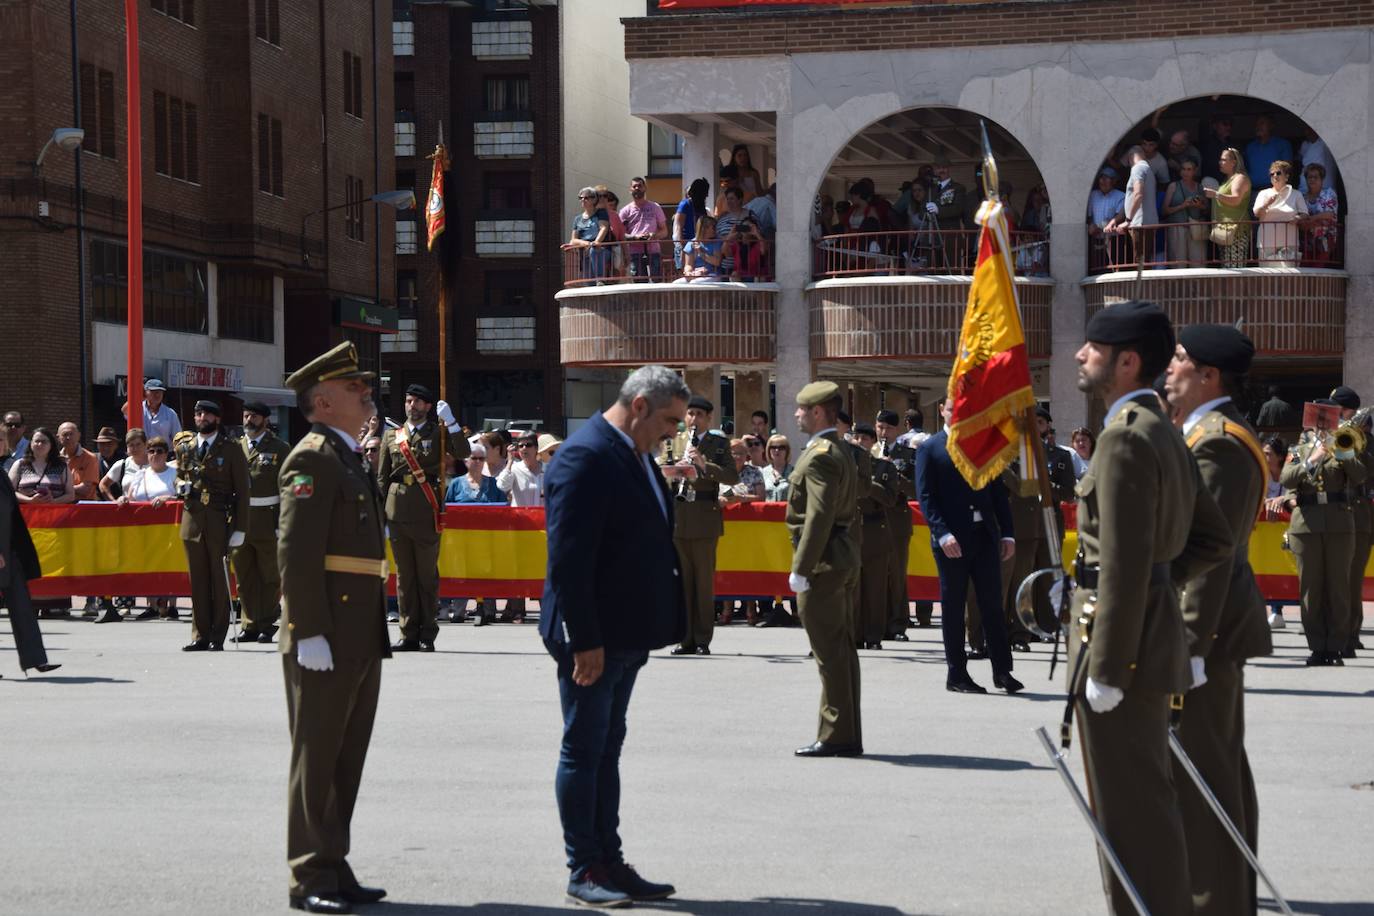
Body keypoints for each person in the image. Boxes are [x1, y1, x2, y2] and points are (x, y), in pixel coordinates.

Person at [1069, 300, 1233, 916]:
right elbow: (1210, 540)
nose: (1082, 355)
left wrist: (1107, 666)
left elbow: (1126, 562)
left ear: (1126, 361)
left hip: (1121, 651)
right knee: (1144, 800)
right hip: (1143, 634)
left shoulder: (1125, 436)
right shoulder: (1161, 427)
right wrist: (1162, 587)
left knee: (1129, 813)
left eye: (1092, 347)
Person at [539, 365, 686, 908]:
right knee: (584, 749)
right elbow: (569, 561)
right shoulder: (586, 455)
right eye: (669, 419)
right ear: (641, 405)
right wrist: (584, 639)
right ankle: (584, 867)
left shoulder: (635, 454)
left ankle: (609, 859)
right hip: (593, 636)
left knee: (607, 749)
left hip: (624, 632)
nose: (674, 431)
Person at [276, 341, 391, 915]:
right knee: (316, 755)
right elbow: (296, 552)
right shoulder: (313, 457)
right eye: (354, 388)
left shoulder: (349, 455)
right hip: (327, 630)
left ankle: (333, 861)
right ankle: (308, 874)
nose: (365, 393)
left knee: (346, 755)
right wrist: (307, 629)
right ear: (322, 401)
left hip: (358, 627)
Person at [1164, 323, 1274, 915]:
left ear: (1209, 375)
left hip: (1206, 632)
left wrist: (1189, 645)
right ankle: (1226, 892)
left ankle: (1215, 900)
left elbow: (1211, 551)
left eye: (1180, 359)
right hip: (1207, 630)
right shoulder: (1204, 433)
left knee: (1203, 770)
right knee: (1218, 762)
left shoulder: (1218, 442)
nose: (1170, 366)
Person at [916, 399, 1022, 694]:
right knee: (953, 607)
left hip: (984, 535)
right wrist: (941, 533)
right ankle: (957, 674)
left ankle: (1003, 671)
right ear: (941, 411)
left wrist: (1008, 533)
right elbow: (926, 497)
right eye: (951, 408)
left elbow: (998, 492)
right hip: (952, 539)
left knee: (992, 605)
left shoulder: (983, 445)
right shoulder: (931, 448)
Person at [788, 381, 863, 757]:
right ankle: (845, 732)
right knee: (842, 651)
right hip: (841, 555)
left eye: (802, 409)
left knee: (830, 654)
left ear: (818, 412)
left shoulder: (819, 454)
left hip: (824, 562)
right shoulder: (840, 449)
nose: (797, 414)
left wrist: (801, 567)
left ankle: (836, 735)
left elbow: (818, 516)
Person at [378, 384, 465, 653]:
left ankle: (427, 633)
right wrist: (381, 516)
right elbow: (382, 477)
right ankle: (408, 633)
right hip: (397, 510)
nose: (411, 406)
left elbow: (462, 452)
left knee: (426, 576)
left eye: (417, 402)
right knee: (404, 577)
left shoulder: (437, 433)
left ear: (428, 406)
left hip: (426, 509)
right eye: (408, 400)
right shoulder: (393, 436)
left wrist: (450, 422)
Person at [1281, 395, 1362, 656]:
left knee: (1339, 587)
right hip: (1306, 525)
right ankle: (1317, 647)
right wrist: (1313, 459)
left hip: (1340, 523)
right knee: (1311, 588)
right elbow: (1287, 478)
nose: (1324, 424)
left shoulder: (1343, 445)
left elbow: (1360, 475)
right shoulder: (1297, 450)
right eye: (1320, 418)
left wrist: (1341, 449)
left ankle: (1337, 647)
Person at [171, 400, 251, 652]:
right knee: (198, 581)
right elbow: (180, 477)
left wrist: (240, 528)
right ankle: (199, 635)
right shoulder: (186, 447)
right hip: (192, 519)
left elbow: (243, 491)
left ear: (216, 419)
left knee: (219, 580)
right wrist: (179, 487)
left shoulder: (231, 449)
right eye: (197, 413)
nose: (201, 417)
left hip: (219, 519)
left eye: (206, 413)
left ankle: (217, 635)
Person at [665, 395, 737, 656]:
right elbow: (662, 472)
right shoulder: (674, 441)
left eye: (699, 414)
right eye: (690, 413)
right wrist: (672, 470)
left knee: (703, 583)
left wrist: (705, 465)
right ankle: (684, 639)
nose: (693, 419)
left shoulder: (718, 443)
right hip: (679, 518)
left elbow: (732, 475)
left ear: (708, 418)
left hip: (705, 518)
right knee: (682, 583)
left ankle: (703, 639)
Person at [232, 401, 292, 644]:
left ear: (265, 420)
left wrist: (283, 521)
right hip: (242, 521)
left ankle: (267, 623)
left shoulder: (280, 448)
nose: (249, 421)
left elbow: (288, 486)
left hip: (268, 518)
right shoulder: (235, 447)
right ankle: (249, 624)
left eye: (254, 417)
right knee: (244, 577)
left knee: (269, 576)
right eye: (246, 416)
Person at [1, 468, 61, 677]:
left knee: (22, 605)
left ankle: (36, 659)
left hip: (11, 549)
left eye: (0, 439)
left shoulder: (2, 473)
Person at [1330, 385, 1372, 659]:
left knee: (1351, 578)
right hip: (1328, 513)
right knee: (1333, 579)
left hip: (1356, 511)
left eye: (1337, 409)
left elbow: (1365, 474)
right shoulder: (1318, 436)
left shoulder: (1366, 439)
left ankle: (1349, 634)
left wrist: (1353, 439)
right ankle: (1332, 632)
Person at [853, 422, 896, 650]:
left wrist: (869, 483)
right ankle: (856, 634)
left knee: (876, 588)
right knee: (854, 588)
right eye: (857, 437)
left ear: (872, 442)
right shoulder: (846, 467)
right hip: (852, 531)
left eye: (865, 438)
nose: (860, 442)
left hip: (875, 531)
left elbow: (890, 499)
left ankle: (874, 635)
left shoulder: (884, 467)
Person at [1252, 159, 1308, 267]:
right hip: (1266, 242)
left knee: (1289, 277)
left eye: (1278, 173)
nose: (1274, 176)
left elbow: (1305, 214)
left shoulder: (1296, 194)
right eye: (1271, 174)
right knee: (1267, 277)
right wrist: (1267, 203)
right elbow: (1257, 214)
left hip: (1289, 242)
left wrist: (1298, 218)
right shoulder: (1263, 194)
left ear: (1286, 176)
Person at [1261, 434, 1291, 629]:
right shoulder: (1260, 473)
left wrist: (1280, 501)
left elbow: (1293, 493)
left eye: (1268, 454)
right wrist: (1267, 502)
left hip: (1288, 528)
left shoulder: (1289, 472)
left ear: (1280, 457)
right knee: (1269, 565)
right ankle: (1275, 610)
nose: (1264, 457)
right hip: (1266, 530)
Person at [1206, 147, 1252, 268]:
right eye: (1220, 160)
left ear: (1234, 162)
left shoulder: (1239, 178)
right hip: (1225, 229)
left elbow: (1236, 199)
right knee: (1227, 267)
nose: (1220, 163)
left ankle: (1237, 288)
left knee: (1234, 268)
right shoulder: (1228, 179)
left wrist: (1215, 194)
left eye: (1224, 160)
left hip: (1236, 230)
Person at [1161, 157, 1209, 266]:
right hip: (1177, 229)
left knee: (1198, 263)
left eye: (1189, 169)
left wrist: (1199, 205)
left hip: (1196, 228)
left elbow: (1207, 210)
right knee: (1178, 263)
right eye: (1183, 169)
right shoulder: (1173, 186)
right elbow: (1164, 210)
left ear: (1195, 171)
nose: (1185, 172)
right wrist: (1182, 206)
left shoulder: (1200, 187)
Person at [619, 177, 667, 281]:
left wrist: (654, 235)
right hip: (635, 253)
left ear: (645, 188)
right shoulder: (624, 211)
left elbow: (664, 231)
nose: (637, 188)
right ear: (630, 190)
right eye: (634, 186)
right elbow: (620, 235)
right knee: (640, 284)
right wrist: (634, 237)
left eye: (639, 186)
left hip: (653, 251)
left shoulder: (655, 207)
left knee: (657, 283)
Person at [8, 427, 73, 505]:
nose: (40, 444)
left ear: (51, 444)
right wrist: (29, 500)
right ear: (31, 443)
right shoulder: (19, 464)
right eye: (37, 441)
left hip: (54, 514)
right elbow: (9, 491)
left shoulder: (62, 466)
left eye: (44, 442)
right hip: (25, 514)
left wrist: (53, 502)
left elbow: (70, 495)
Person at [564, 187, 610, 282]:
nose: (583, 200)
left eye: (586, 198)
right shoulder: (577, 219)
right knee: (588, 281)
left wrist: (596, 242)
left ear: (594, 199)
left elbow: (603, 228)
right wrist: (586, 244)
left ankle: (600, 279)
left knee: (594, 250)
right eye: (581, 198)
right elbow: (573, 240)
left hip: (601, 249)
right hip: (584, 251)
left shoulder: (601, 213)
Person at [1300, 162, 1339, 266]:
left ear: (1322, 179)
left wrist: (1312, 219)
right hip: (1306, 242)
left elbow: (1330, 214)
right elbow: (1301, 220)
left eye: (1315, 177)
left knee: (1319, 268)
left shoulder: (1329, 193)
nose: (1312, 179)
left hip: (1324, 242)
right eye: (1309, 177)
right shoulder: (1302, 198)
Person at [1244, 113, 1293, 192]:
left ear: (1271, 125)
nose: (1258, 126)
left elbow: (1288, 170)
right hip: (1253, 192)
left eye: (1262, 123)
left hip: (1275, 191)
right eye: (1257, 124)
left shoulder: (1282, 144)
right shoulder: (1250, 147)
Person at [99, 429, 149, 502]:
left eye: (138, 444)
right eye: (131, 445)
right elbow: (103, 485)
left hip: (152, 509)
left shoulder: (156, 464)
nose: (135, 448)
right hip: (128, 510)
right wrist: (113, 502)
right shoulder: (122, 464)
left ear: (145, 444)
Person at [56, 422, 100, 501]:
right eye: (65, 434)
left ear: (78, 435)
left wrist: (61, 490)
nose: (68, 437)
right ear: (58, 438)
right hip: (61, 506)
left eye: (71, 434)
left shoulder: (90, 458)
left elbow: (86, 490)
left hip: (83, 507)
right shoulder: (55, 459)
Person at [672, 177, 710, 271]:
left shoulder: (702, 208)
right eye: (704, 193)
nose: (707, 195)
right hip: (684, 244)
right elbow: (679, 226)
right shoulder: (685, 204)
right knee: (685, 271)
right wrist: (682, 247)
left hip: (697, 244)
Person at [679, 215, 724, 281]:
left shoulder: (716, 242)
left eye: (714, 227)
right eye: (712, 227)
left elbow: (717, 262)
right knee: (678, 283)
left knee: (695, 283)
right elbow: (688, 264)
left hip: (712, 273)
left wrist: (701, 252)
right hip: (696, 273)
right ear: (703, 228)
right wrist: (689, 272)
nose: (714, 229)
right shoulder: (691, 243)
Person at [140, 378, 182, 443]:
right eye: (153, 391)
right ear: (145, 392)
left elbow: (178, 438)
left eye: (160, 392)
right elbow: (124, 410)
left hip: (163, 452)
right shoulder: (138, 408)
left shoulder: (171, 414)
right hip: (142, 452)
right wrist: (139, 397)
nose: (157, 395)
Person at [761, 434, 792, 501]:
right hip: (768, 511)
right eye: (773, 447)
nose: (777, 450)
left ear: (787, 451)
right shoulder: (762, 472)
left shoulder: (794, 472)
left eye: (781, 447)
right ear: (768, 450)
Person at [2, 410, 29, 474]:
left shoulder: (31, 448)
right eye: (9, 425)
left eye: (17, 425)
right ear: (2, 427)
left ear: (23, 428)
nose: (13, 428)